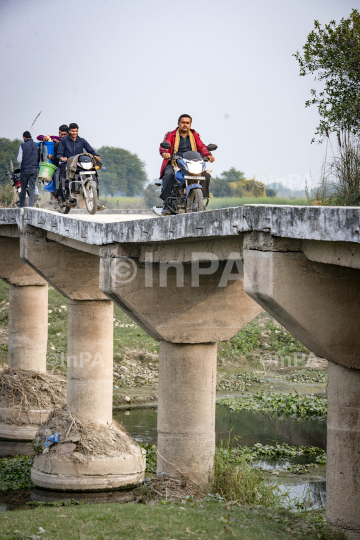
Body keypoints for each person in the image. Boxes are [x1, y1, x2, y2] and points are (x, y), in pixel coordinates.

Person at [159, 114, 215, 215]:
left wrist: (208, 155)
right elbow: (165, 145)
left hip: (191, 162)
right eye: (183, 122)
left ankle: (201, 202)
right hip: (174, 161)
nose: (185, 125)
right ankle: (166, 203)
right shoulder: (171, 134)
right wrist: (165, 152)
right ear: (178, 124)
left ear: (190, 124)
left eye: (187, 123)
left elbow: (201, 147)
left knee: (206, 175)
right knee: (169, 174)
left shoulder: (194, 135)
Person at [56, 122, 101, 206]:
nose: (75, 133)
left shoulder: (82, 141)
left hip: (80, 165)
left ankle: (96, 202)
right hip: (68, 164)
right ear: (69, 131)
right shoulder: (64, 141)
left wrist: (96, 156)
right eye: (73, 131)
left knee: (94, 176)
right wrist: (62, 158)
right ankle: (64, 197)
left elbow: (91, 151)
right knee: (63, 175)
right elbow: (59, 154)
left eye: (76, 131)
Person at [16, 131, 38, 207]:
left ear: (24, 138)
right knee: (32, 187)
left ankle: (21, 204)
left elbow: (19, 159)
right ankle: (30, 205)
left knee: (23, 188)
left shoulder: (22, 145)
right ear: (31, 137)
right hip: (34, 170)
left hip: (25, 170)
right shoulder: (35, 145)